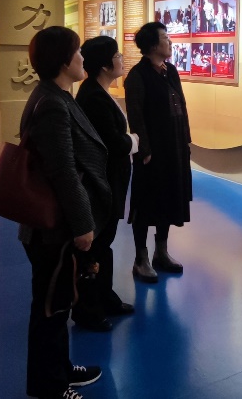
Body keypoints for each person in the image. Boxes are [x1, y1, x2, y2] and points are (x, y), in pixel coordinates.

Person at [21, 26, 110, 398]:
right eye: (77, 52)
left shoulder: (55, 95)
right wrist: (83, 225)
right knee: (51, 308)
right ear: (63, 61)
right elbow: (63, 172)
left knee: (57, 303)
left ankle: (59, 368)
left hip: (56, 224)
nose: (82, 58)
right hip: (54, 227)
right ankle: (50, 386)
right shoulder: (53, 104)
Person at [73, 37, 139, 332]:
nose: (122, 59)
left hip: (111, 180)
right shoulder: (93, 98)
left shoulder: (98, 92)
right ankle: (88, 309)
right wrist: (134, 141)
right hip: (101, 182)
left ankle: (104, 297)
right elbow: (113, 143)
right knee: (96, 244)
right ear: (104, 64)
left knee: (104, 242)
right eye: (117, 55)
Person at [125, 22, 193, 283]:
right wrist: (144, 150)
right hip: (152, 151)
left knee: (168, 198)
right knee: (145, 203)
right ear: (153, 45)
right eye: (165, 37)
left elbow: (181, 107)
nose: (170, 41)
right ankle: (140, 258)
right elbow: (136, 116)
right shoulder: (138, 75)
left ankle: (161, 252)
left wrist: (186, 141)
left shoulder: (170, 70)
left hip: (174, 146)